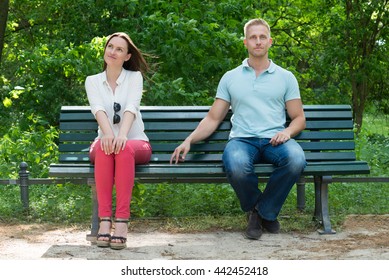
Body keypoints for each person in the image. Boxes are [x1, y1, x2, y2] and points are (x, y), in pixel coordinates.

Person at [170, 18, 307, 240]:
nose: (258, 41)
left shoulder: (286, 77)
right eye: (253, 37)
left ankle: (259, 213)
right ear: (246, 43)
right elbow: (213, 118)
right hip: (242, 141)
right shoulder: (231, 77)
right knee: (235, 165)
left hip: (275, 139)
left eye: (263, 37)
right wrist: (189, 140)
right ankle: (264, 213)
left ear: (270, 41)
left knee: (296, 159)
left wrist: (287, 132)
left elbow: (299, 118)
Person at [85, 32, 152, 249]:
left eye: (119, 49)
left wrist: (122, 134)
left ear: (127, 56)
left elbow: (132, 106)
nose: (112, 52)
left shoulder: (134, 78)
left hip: (135, 142)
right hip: (105, 142)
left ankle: (121, 222)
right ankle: (105, 221)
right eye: (110, 46)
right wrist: (108, 135)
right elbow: (98, 109)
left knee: (122, 149)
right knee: (106, 148)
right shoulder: (92, 81)